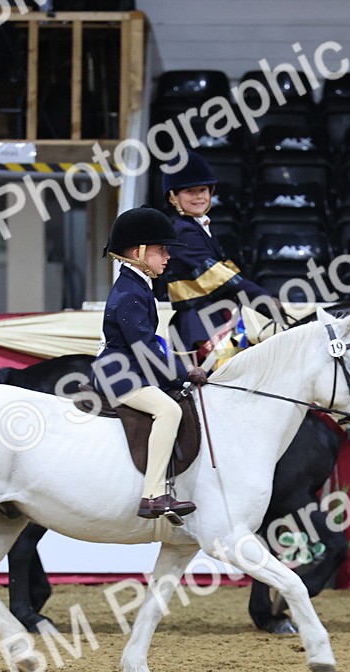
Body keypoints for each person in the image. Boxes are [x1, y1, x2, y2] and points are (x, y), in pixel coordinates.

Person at [91, 207, 207, 520]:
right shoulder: (130, 291)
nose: (167, 257)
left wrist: (180, 370)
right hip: (119, 374)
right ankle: (153, 494)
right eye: (161, 250)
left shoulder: (139, 285)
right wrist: (181, 376)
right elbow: (142, 346)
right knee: (168, 409)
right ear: (138, 252)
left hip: (131, 368)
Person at [157, 150, 283, 354]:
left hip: (218, 317)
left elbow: (230, 272)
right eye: (190, 191)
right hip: (201, 324)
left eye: (203, 190)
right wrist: (263, 300)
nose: (199, 196)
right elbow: (220, 277)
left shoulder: (200, 228)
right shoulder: (183, 232)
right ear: (173, 197)